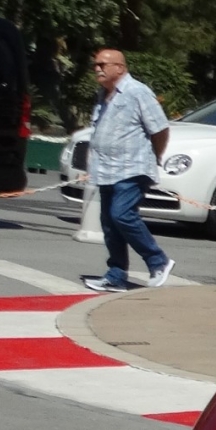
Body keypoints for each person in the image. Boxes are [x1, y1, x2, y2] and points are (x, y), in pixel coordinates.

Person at [81, 48, 174, 292]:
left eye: (103, 64)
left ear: (120, 68)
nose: (98, 69)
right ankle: (116, 275)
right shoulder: (103, 94)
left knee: (122, 214)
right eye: (96, 65)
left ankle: (158, 261)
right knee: (110, 223)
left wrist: (156, 155)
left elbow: (160, 129)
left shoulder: (137, 92)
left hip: (132, 168)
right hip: (107, 170)